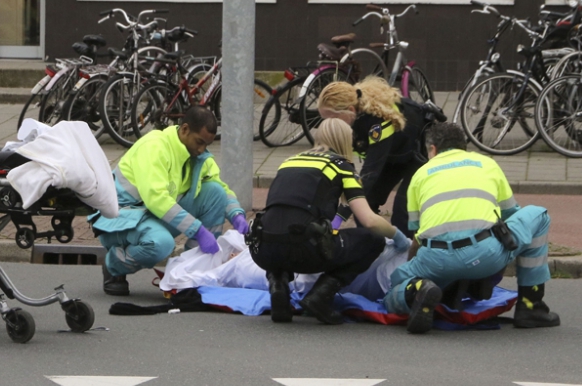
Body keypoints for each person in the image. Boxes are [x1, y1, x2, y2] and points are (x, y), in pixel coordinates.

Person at [384, 122, 560, 334]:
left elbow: (418, 236)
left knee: (394, 286)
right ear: (463, 146)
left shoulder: (420, 175)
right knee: (538, 215)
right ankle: (532, 307)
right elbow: (511, 215)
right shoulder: (487, 164)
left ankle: (416, 292)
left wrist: (413, 273)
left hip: (435, 258)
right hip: (485, 255)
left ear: (432, 149)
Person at [251, 118, 409, 324]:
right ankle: (321, 296)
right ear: (345, 141)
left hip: (263, 250)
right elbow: (369, 221)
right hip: (306, 250)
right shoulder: (341, 166)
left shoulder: (289, 162)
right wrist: (398, 236)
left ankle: (278, 285)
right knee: (373, 239)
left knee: (282, 228)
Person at [90, 105, 249, 296]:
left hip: (151, 215)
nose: (201, 149)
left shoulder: (196, 155)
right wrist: (197, 230)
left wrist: (236, 214)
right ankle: (114, 265)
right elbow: (156, 199)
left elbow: (220, 187)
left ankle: (192, 270)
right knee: (161, 245)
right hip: (121, 219)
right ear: (184, 129)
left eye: (206, 145)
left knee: (215, 193)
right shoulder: (155, 146)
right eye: (199, 142)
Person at [316, 76, 426, 235]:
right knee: (364, 206)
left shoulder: (377, 124)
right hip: (391, 155)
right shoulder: (347, 120)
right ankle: (372, 248)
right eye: (324, 120)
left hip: (416, 155)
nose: (329, 125)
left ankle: (406, 255)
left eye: (333, 118)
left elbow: (369, 174)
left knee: (403, 212)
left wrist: (339, 218)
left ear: (351, 110)